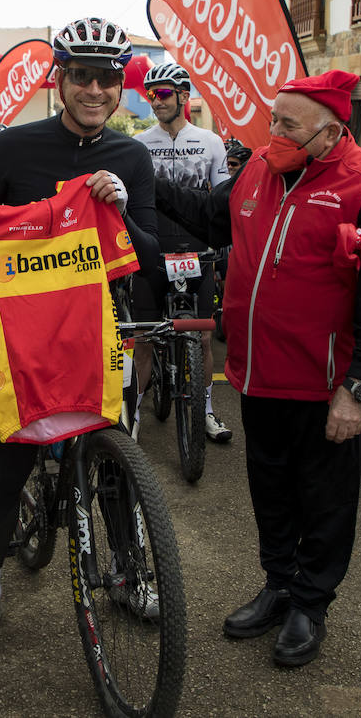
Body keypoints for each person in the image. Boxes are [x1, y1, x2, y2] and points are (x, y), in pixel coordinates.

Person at [154, 69, 361, 667]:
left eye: (287, 124)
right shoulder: (259, 169)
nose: (273, 133)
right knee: (269, 489)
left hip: (325, 386)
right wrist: (144, 183)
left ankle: (311, 604)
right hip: (257, 374)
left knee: (324, 498)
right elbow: (209, 215)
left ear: (330, 132)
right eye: (273, 120)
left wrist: (357, 386)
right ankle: (278, 583)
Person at [0, 16, 159, 651]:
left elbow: (149, 254)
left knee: (114, 458)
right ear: (60, 79)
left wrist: (123, 207)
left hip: (99, 330)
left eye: (106, 78)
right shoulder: (13, 148)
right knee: (13, 459)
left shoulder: (132, 156)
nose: (94, 90)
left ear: (119, 84)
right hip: (22, 335)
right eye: (81, 77)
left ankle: (125, 571)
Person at [132, 60, 233, 441]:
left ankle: (206, 410)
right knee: (143, 339)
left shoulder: (209, 141)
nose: (155, 102)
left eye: (161, 94)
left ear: (183, 97)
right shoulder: (140, 144)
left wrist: (222, 247)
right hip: (152, 246)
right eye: (150, 95)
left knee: (204, 337)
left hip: (195, 247)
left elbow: (221, 198)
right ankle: (134, 416)